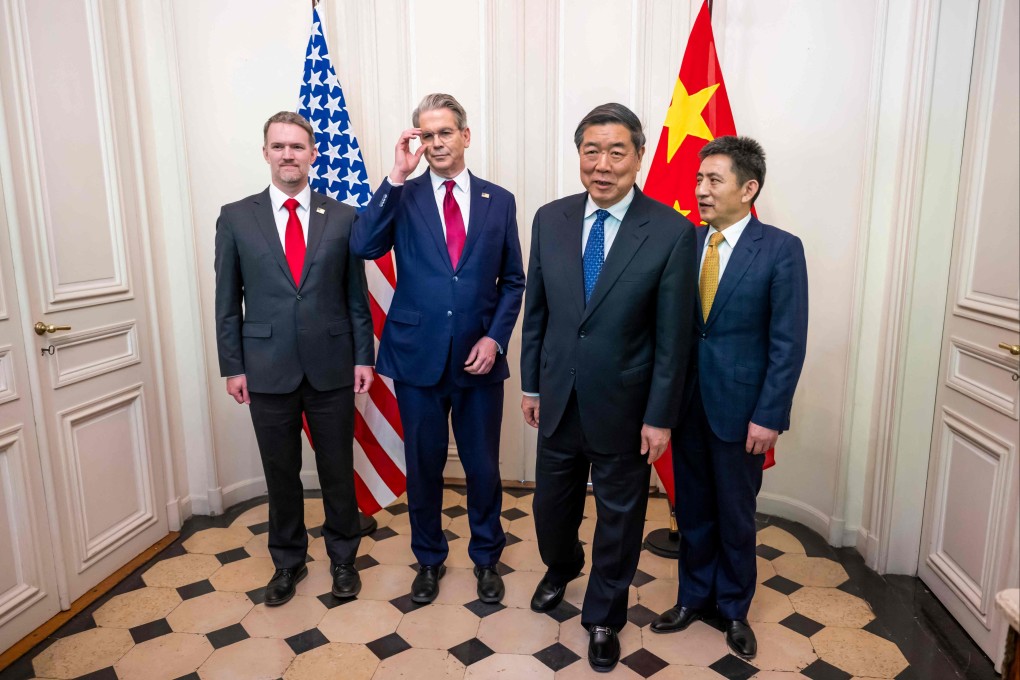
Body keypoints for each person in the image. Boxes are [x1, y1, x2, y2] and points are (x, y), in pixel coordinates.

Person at [520, 103, 697, 673]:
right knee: (551, 510)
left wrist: (661, 415)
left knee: (620, 520)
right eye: (591, 151)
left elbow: (674, 338)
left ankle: (603, 616)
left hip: (627, 406)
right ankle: (561, 565)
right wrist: (530, 386)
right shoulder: (550, 219)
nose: (602, 164)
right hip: (557, 399)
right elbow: (538, 312)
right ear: (579, 156)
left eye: (616, 151)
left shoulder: (671, 231)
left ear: (639, 156)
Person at [351, 93, 525, 605]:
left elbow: (513, 281)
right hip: (416, 356)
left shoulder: (500, 200)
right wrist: (396, 177)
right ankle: (428, 559)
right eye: (425, 136)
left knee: (482, 467)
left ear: (465, 136)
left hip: (479, 359)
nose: (435, 144)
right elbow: (363, 245)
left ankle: (486, 557)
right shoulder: (402, 195)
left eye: (444, 132)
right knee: (423, 466)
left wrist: (495, 339)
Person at [650, 136, 809, 660]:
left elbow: (788, 343)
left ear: (749, 188)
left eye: (713, 180)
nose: (700, 190)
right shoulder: (686, 242)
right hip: (685, 407)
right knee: (691, 510)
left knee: (736, 515)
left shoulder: (782, 249)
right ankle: (693, 597)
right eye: (698, 179)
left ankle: (735, 608)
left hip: (742, 413)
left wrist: (770, 416)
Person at [214, 111, 375, 606]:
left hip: (332, 363)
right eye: (279, 146)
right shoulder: (237, 217)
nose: (288, 155)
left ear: (313, 154)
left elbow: (356, 296)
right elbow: (227, 298)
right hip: (265, 368)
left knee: (336, 467)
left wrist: (363, 358)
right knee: (279, 471)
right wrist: (232, 365)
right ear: (266, 153)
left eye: (298, 146)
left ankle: (344, 559)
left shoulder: (343, 216)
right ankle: (288, 561)